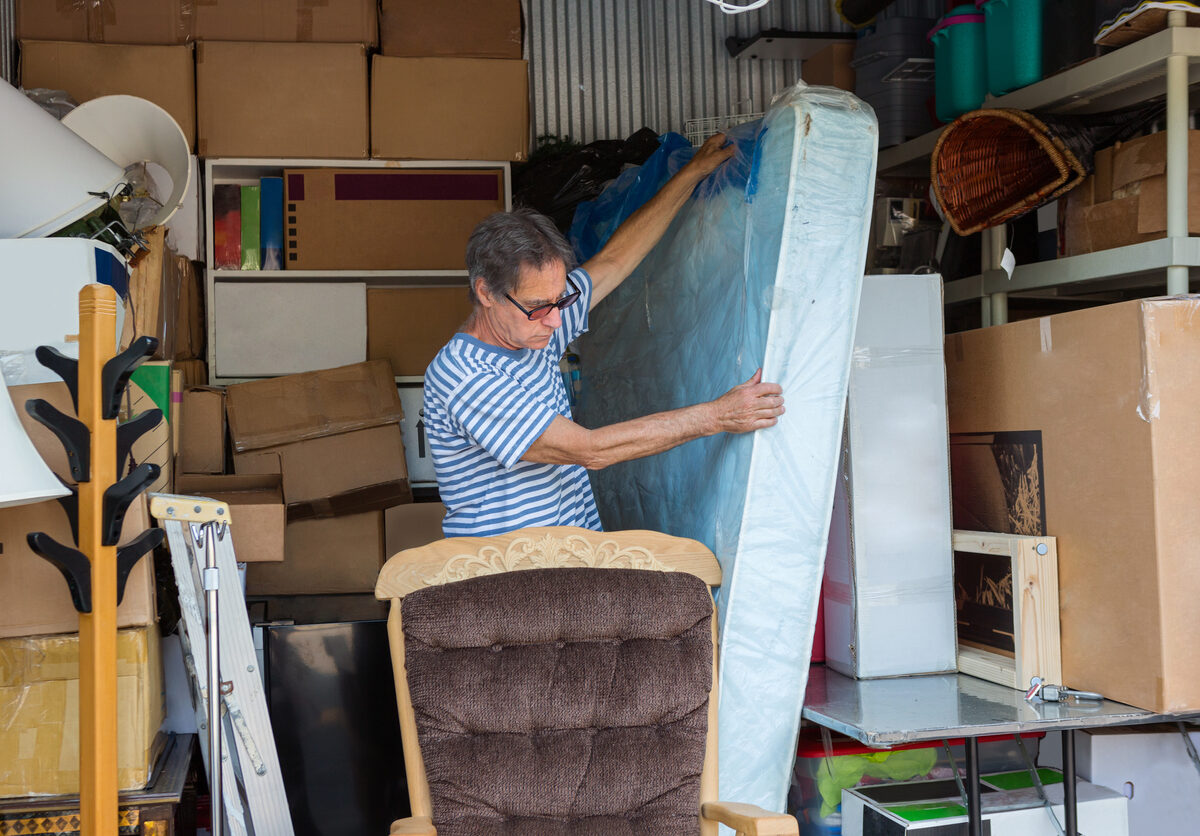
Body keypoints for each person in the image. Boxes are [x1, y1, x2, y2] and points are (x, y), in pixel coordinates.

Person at [424, 133, 785, 537]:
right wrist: (716, 415)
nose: (557, 321)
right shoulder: (465, 376)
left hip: (568, 561)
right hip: (511, 576)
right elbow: (589, 449)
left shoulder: (534, 327)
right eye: (540, 307)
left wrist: (693, 173)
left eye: (560, 301)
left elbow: (615, 259)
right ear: (486, 293)